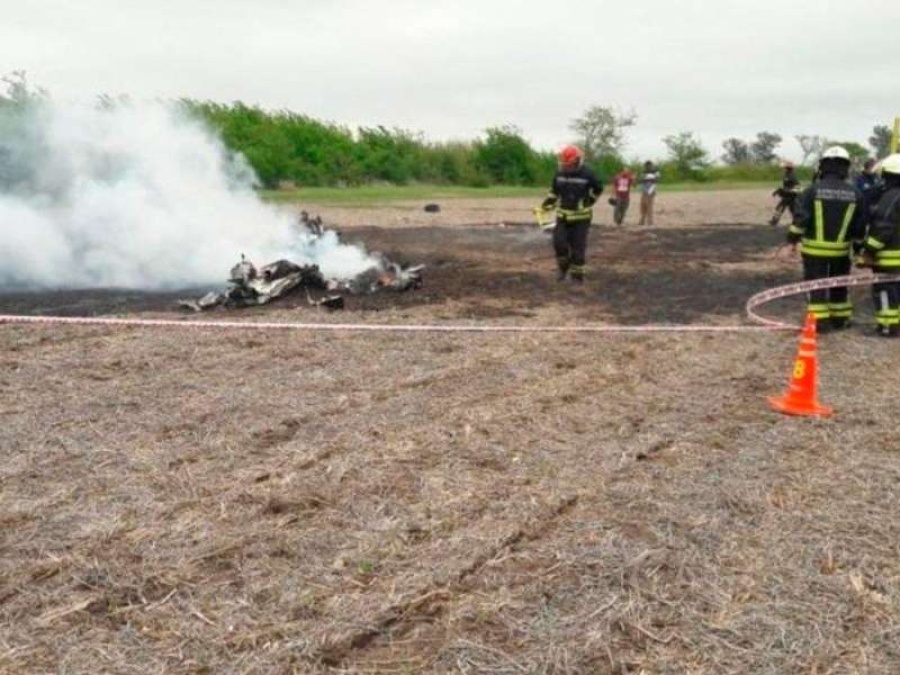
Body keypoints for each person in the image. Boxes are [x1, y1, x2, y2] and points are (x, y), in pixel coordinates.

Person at [786, 146, 866, 330]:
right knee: (839, 285)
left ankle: (820, 322)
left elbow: (801, 220)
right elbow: (860, 226)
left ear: (823, 166)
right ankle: (840, 319)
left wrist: (792, 238)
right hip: (841, 252)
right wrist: (859, 250)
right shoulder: (856, 193)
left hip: (814, 252)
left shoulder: (811, 191)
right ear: (845, 167)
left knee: (816, 286)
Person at [540, 145, 603, 283]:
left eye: (569, 165)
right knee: (559, 244)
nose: (566, 167)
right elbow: (554, 191)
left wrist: (589, 201)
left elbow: (598, 188)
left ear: (577, 161)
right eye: (564, 164)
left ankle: (577, 278)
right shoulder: (559, 174)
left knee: (578, 249)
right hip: (563, 217)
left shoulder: (588, 174)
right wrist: (547, 204)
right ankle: (563, 268)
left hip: (581, 219)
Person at [858, 154, 900, 336]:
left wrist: (868, 250)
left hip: (890, 257)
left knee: (885, 290)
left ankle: (888, 326)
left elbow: (883, 226)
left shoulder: (891, 197)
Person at [769, 161, 801, 227]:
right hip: (786, 196)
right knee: (780, 208)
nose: (784, 169)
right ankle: (774, 221)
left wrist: (790, 190)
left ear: (789, 168)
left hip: (792, 197)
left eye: (785, 168)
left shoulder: (792, 176)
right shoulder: (787, 175)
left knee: (793, 210)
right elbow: (785, 186)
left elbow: (797, 187)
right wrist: (778, 191)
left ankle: (797, 222)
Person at [638, 161, 660, 226]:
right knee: (643, 206)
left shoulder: (656, 172)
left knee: (649, 206)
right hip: (644, 191)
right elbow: (640, 180)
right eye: (646, 166)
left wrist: (645, 179)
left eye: (649, 166)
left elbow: (656, 180)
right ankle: (642, 220)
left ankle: (650, 221)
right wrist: (644, 179)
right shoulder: (644, 172)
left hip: (651, 190)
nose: (648, 167)